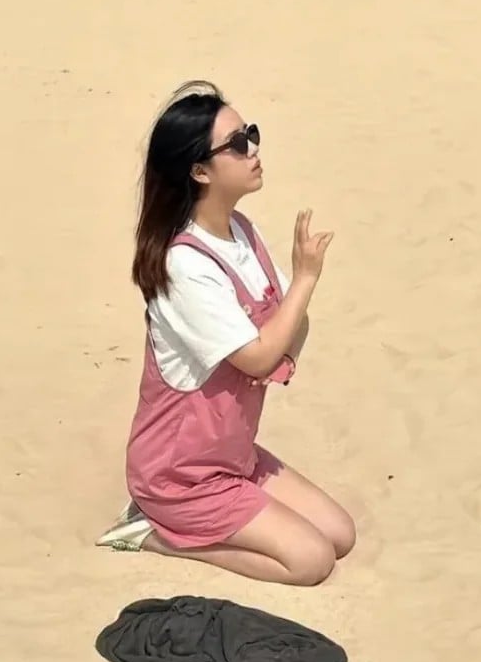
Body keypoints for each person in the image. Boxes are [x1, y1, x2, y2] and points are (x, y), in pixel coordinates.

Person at [97, 81, 356, 586]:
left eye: (251, 134)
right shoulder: (183, 267)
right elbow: (260, 356)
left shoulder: (242, 230)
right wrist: (305, 278)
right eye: (237, 143)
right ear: (199, 171)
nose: (253, 150)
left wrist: (282, 343)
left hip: (233, 457)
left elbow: (290, 325)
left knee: (339, 535)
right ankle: (151, 531)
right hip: (181, 476)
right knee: (310, 561)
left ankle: (189, 520)